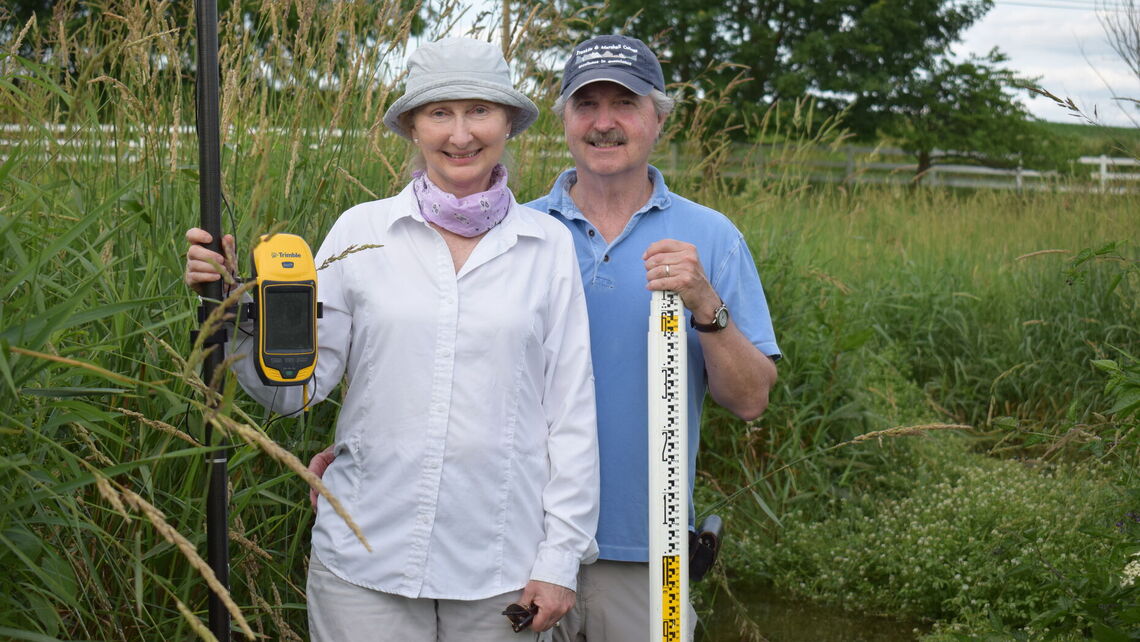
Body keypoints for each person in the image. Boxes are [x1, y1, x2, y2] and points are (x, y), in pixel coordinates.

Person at [184, 37, 600, 642]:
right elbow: (297, 392)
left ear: (508, 121)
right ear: (411, 126)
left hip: (502, 571)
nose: (461, 134)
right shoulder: (362, 231)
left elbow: (572, 415)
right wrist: (238, 312)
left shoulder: (549, 245)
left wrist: (560, 560)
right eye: (439, 113)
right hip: (363, 559)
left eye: (479, 110)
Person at [525, 35, 781, 641]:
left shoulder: (712, 237)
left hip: (651, 552)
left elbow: (750, 400)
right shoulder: (519, 231)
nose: (605, 122)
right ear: (564, 118)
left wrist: (705, 304)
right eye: (587, 104)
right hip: (520, 545)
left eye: (626, 103)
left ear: (658, 120)